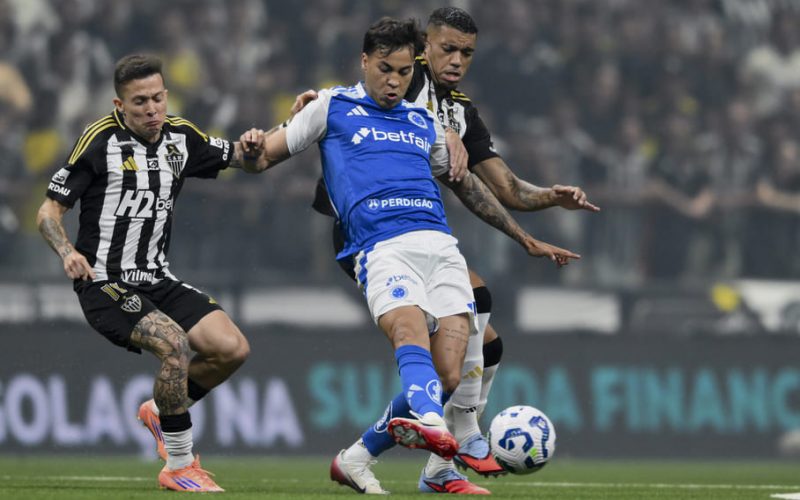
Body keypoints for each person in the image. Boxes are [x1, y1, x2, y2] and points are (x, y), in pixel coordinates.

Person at [240, 17, 578, 495]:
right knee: (433, 318)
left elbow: (485, 187)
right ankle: (453, 433)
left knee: (460, 363)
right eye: (447, 50)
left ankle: (366, 458)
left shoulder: (440, 118)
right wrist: (265, 134)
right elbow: (266, 152)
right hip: (374, 237)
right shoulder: (341, 102)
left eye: (467, 53)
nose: (456, 61)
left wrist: (528, 232)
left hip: (436, 241)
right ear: (424, 52)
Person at [36, 54, 257, 493]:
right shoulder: (99, 141)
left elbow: (246, 158)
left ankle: (160, 410)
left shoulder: (181, 136)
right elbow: (48, 211)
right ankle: (179, 465)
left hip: (157, 277)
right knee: (173, 343)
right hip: (104, 281)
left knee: (231, 349)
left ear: (166, 96)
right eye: (140, 102)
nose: (152, 109)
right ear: (120, 105)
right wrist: (66, 252)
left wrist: (283, 131)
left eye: (157, 98)